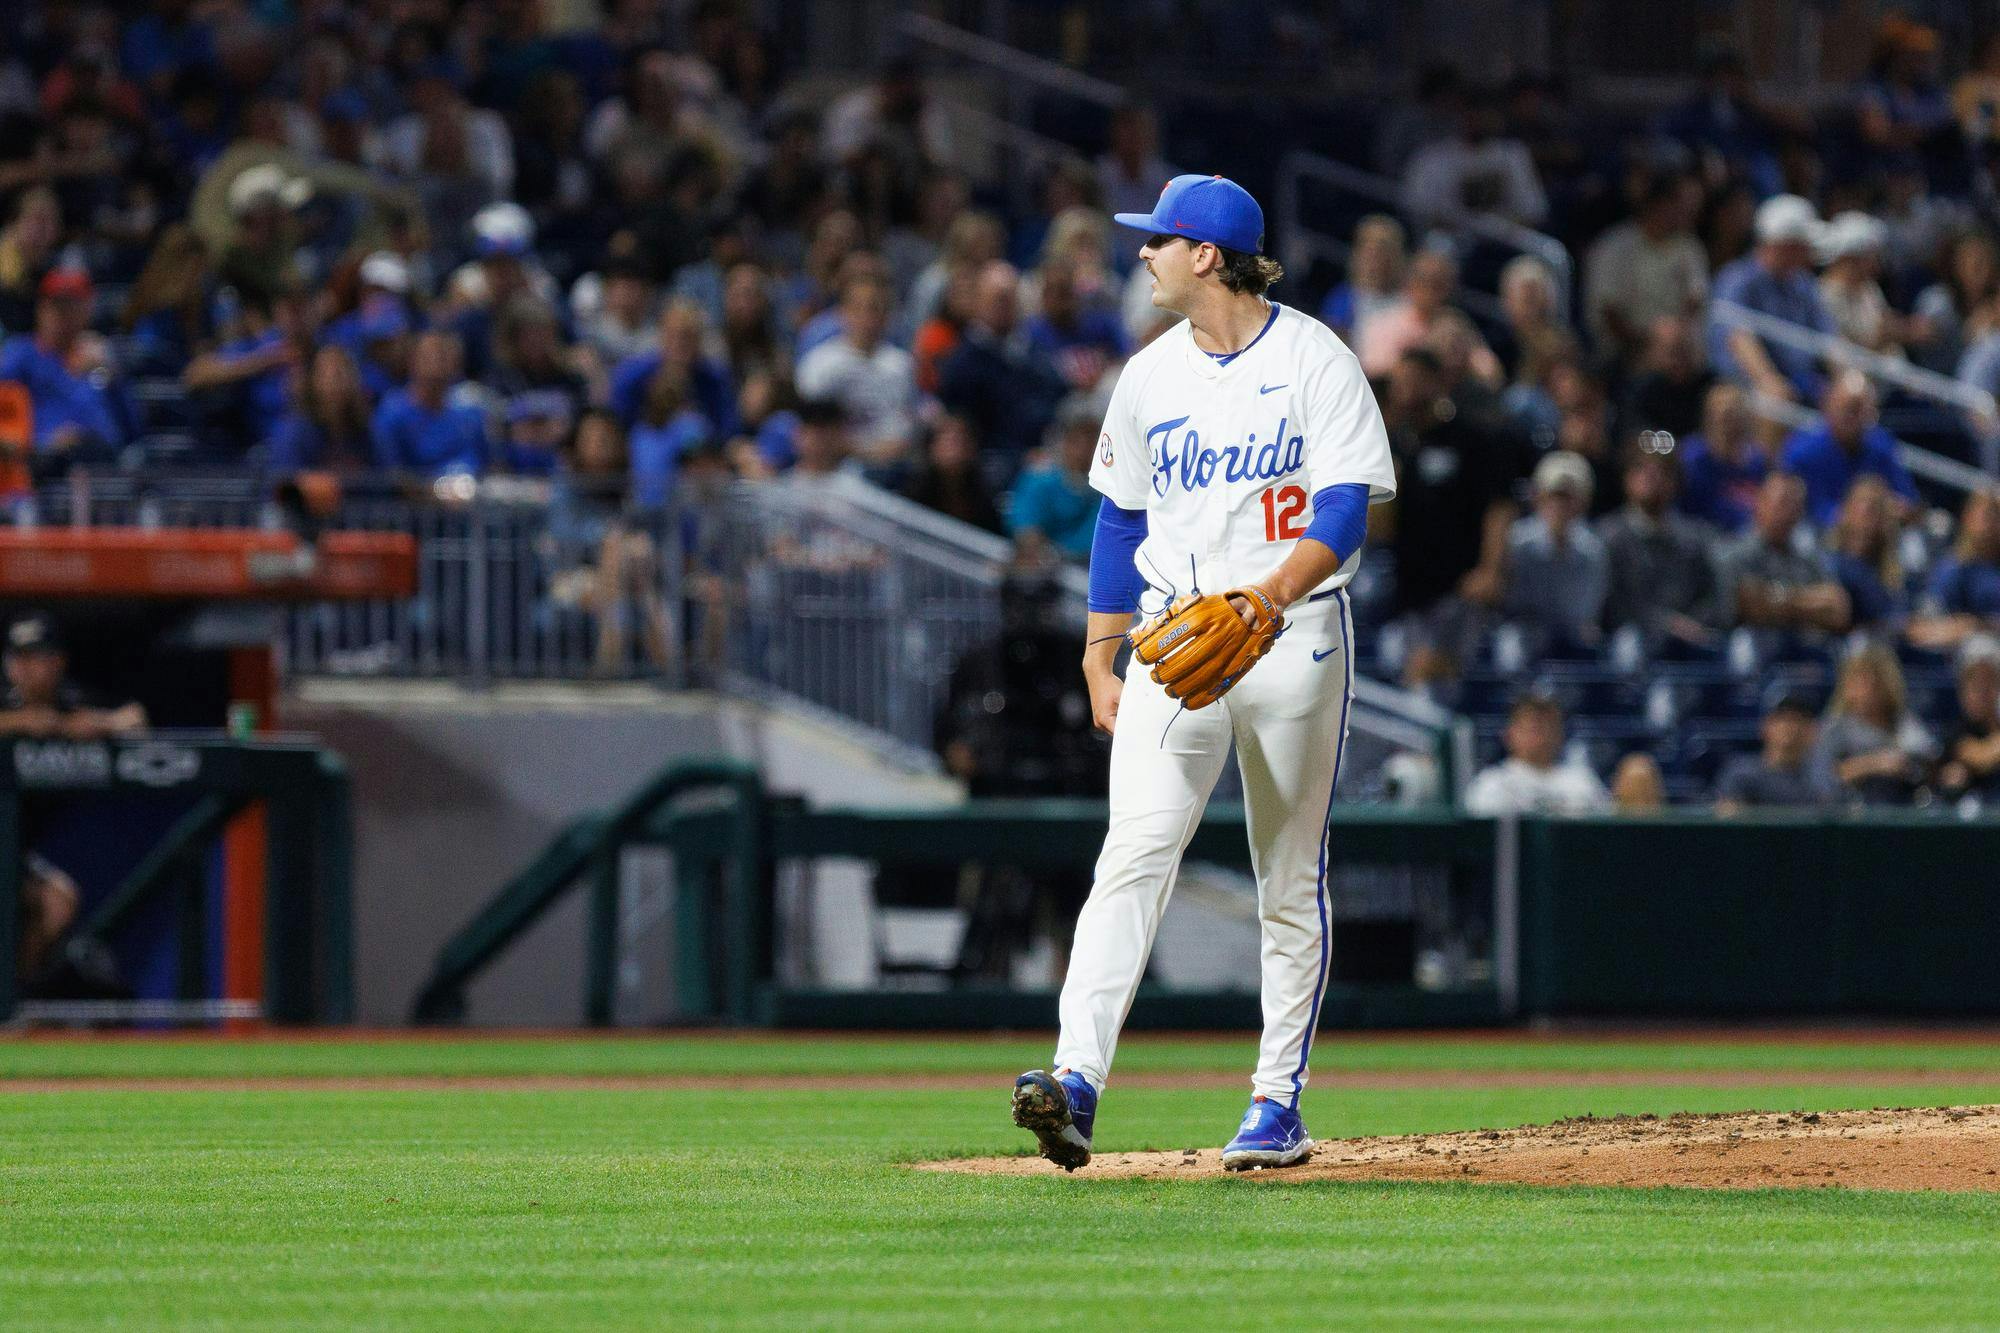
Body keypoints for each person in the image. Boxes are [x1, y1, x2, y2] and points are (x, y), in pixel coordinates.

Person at [1011, 172, 1397, 1175]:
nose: (1140, 253)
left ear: (1207, 256)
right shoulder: (1143, 376)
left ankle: (1274, 1102)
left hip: (1294, 634)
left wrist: (1268, 596)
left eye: (1158, 240)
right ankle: (1075, 1080)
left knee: (1284, 873)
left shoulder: (1315, 358)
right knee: (1130, 854)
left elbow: (1346, 508)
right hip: (1173, 644)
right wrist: (1099, 654)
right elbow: (1118, 521)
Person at [0, 613, 145, 985]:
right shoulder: (6, 701)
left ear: (58, 662)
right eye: (19, 659)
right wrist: (22, 723)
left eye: (38, 658)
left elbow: (133, 718)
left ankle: (11, 1003)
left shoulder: (70, 700)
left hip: (13, 848)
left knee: (57, 901)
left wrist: (92, 724)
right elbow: (26, 722)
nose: (27, 669)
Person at [1378, 346, 1524, 686]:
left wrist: (1490, 569)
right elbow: (1381, 530)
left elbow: (1499, 507)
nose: (1406, 391)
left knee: (1445, 678)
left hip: (1460, 587)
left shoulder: (1471, 438)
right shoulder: (1392, 443)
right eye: (1400, 383)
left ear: (1436, 383)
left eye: (1414, 381)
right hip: (1409, 589)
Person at [1706, 194, 1837, 404]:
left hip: (1803, 382)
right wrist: (1769, 381)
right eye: (1804, 245)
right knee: (1775, 402)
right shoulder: (1736, 279)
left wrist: (1846, 380)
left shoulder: (1803, 283)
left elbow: (1828, 339)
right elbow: (1738, 338)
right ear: (1785, 246)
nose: (1810, 252)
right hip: (1744, 386)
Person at [1597, 436, 1721, 652]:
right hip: (1632, 640)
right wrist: (1665, 624)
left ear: (1675, 482)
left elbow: (1711, 595)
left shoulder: (1695, 538)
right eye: (1642, 470)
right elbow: (1612, 604)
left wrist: (1694, 623)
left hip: (1689, 640)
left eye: (1663, 471)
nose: (1652, 478)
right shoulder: (1608, 537)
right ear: (1627, 479)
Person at [0, 267, 127, 464]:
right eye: (57, 307)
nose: (63, 317)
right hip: (45, 463)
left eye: (72, 307)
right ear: (41, 309)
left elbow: (132, 428)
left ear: (87, 310)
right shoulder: (22, 354)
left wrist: (111, 373)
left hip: (104, 463)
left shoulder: (99, 358)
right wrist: (41, 442)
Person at [793, 271, 918, 471]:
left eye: (876, 309)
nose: (868, 318)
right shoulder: (820, 365)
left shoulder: (902, 364)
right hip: (840, 464)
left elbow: (907, 424)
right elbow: (811, 432)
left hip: (894, 464)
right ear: (843, 313)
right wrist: (863, 451)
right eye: (859, 309)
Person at [1582, 172, 1708, 366]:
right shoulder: (1614, 246)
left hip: (1679, 354)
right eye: (1683, 205)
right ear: (1659, 204)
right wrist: (1646, 344)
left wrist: (1675, 338)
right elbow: (1608, 313)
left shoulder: (1689, 246)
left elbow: (1695, 301)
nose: (1692, 212)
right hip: (1623, 355)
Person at [1717, 472, 1851, 639]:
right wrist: (1810, 603)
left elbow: (1838, 609)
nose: (1789, 512)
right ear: (1761, 503)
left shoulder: (1807, 558)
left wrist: (1779, 599)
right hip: (1752, 647)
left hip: (1804, 650)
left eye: (1796, 505)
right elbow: (1753, 607)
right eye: (1783, 503)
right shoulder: (1734, 553)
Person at [1779, 373, 1919, 527]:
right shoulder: (1802, 451)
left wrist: (1895, 509)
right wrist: (1860, 515)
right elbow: (1802, 508)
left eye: (1862, 410)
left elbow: (1907, 501)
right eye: (1850, 409)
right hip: (1816, 532)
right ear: (1829, 406)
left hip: (1875, 531)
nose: (1855, 418)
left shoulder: (1881, 444)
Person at [1500, 451, 1607, 652]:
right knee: (1510, 645)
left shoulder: (1593, 549)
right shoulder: (1517, 541)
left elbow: (1587, 610)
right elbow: (1511, 601)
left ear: (1583, 501)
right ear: (1538, 497)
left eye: (1568, 497)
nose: (1560, 505)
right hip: (1525, 629)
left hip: (1573, 633)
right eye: (1554, 495)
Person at [1399, 89, 1547, 229]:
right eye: (1474, 112)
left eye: (1487, 113)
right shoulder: (1432, 157)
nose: (1480, 119)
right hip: (1450, 242)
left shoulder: (1513, 153)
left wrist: (1498, 229)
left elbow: (1534, 210)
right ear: (1462, 114)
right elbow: (1417, 209)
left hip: (1504, 242)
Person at [1813, 641, 1935, 806]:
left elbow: (1925, 758)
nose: (1866, 690)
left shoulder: (1904, 722)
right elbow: (1822, 779)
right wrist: (1875, 764)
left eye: (1873, 683)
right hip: (1853, 813)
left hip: (1903, 807)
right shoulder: (1836, 727)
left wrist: (1902, 764)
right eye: (1858, 682)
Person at [1462, 694, 1611, 816]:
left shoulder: (1583, 781)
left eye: (1550, 727)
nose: (1543, 736)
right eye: (1534, 728)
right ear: (1509, 734)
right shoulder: (1492, 783)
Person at [370, 330, 489, 478]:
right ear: (412, 361)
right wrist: (434, 493)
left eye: (444, 356)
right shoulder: (392, 414)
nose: (438, 363)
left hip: (475, 495)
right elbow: (393, 474)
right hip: (417, 498)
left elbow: (489, 466)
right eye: (431, 355)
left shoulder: (470, 412)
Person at [1007, 395, 1101, 563]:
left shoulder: (1103, 491)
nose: (1083, 450)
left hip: (1083, 569)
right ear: (1064, 442)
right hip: (1037, 572)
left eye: (1091, 442)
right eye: (1076, 441)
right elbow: (1025, 527)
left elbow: (1095, 538)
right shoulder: (1040, 480)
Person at [1908, 488, 2000, 652]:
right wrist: (1975, 626)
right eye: (1988, 515)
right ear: (1968, 517)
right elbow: (1922, 629)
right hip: (1966, 654)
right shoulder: (1952, 569)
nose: (1993, 524)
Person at [1713, 694, 1832, 812]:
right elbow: (1728, 816)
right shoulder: (1742, 772)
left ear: (1812, 731)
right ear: (1765, 726)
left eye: (1799, 720)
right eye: (1782, 719)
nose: (1790, 727)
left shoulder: (1823, 777)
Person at [1677, 383, 1769, 532]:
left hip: (1750, 537)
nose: (1728, 420)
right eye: (1723, 413)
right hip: (1704, 535)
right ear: (1709, 416)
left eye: (1735, 411)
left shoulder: (1757, 459)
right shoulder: (1694, 458)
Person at [1824, 476, 1909, 631]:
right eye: (1865, 508)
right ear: (1846, 511)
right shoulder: (1827, 561)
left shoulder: (1889, 577)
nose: (1867, 518)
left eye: (1878, 511)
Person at [1934, 635, 2000, 804]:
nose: (1980, 694)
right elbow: (1980, 758)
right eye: (1973, 685)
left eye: (1987, 684)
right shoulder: (1957, 730)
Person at [1318, 215, 1405, 341]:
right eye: (1367, 247)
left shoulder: (1409, 302)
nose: (1373, 255)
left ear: (1397, 255)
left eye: (1382, 248)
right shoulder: (1341, 300)